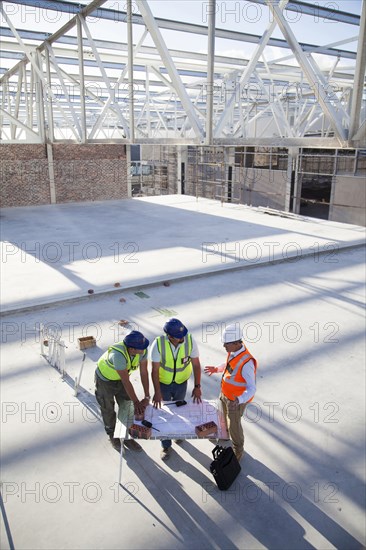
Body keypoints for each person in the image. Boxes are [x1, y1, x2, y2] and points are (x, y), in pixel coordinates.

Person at [150, 318, 202, 460]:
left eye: (183, 335)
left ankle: (178, 434)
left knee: (180, 410)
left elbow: (196, 365)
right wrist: (157, 392)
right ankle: (166, 445)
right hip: (163, 385)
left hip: (181, 383)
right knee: (164, 415)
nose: (182, 338)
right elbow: (154, 370)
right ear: (170, 336)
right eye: (179, 337)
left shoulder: (190, 340)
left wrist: (197, 386)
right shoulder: (158, 344)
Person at [204, 323, 257, 462]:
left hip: (236, 401)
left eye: (226, 343)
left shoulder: (247, 363)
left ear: (235, 343)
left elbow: (252, 388)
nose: (224, 346)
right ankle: (223, 434)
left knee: (235, 425)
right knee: (221, 415)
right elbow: (230, 365)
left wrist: (238, 400)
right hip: (225, 394)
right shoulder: (233, 352)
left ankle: (238, 449)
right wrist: (217, 369)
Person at [95, 330, 151, 452]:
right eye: (140, 348)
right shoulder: (118, 355)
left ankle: (126, 435)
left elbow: (144, 372)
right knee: (108, 408)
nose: (144, 350)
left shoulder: (142, 351)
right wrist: (137, 402)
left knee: (127, 406)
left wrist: (147, 397)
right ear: (131, 349)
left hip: (121, 379)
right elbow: (126, 382)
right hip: (105, 381)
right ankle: (113, 435)